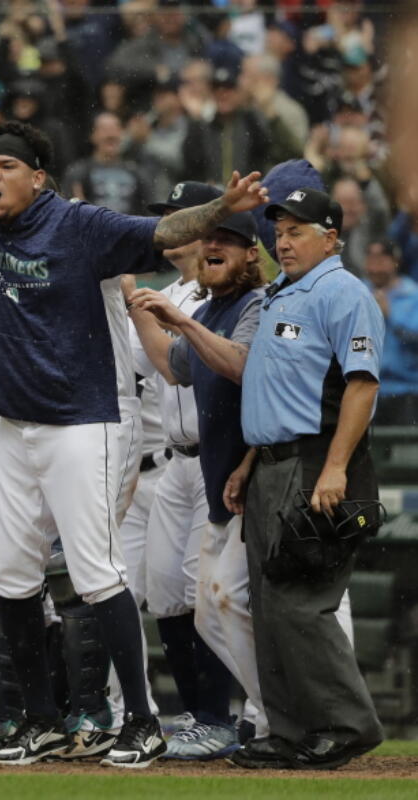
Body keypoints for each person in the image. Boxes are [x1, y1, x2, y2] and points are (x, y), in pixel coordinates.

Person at [0, 40, 268, 768]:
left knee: (97, 574)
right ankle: (39, 720)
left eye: (5, 167)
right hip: (13, 427)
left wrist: (222, 209)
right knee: (8, 578)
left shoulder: (80, 225)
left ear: (40, 177)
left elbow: (162, 235)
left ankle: (141, 723)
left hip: (82, 425)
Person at [228, 188, 385, 770]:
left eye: (297, 231)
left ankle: (347, 726)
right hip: (271, 463)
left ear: (331, 237)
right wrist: (248, 464)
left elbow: (362, 385)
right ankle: (290, 732)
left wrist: (338, 466)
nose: (283, 241)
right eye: (279, 231)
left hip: (315, 461)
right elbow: (275, 392)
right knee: (268, 606)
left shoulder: (343, 292)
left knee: (301, 603)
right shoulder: (281, 293)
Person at [129, 207, 267, 760]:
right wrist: (137, 302)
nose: (210, 247)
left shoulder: (256, 304)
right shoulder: (207, 304)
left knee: (216, 599)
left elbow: (241, 367)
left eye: (225, 242)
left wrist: (173, 317)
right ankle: (206, 714)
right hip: (185, 462)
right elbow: (173, 366)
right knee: (172, 595)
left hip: (238, 465)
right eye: (206, 237)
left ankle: (239, 713)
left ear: (250, 253)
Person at [363, 239, 418, 425]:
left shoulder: (412, 295)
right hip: (366, 390)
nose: (375, 266)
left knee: (403, 451)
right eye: (371, 259)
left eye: (381, 259)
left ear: (395, 261)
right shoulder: (358, 292)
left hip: (406, 390)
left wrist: (391, 316)